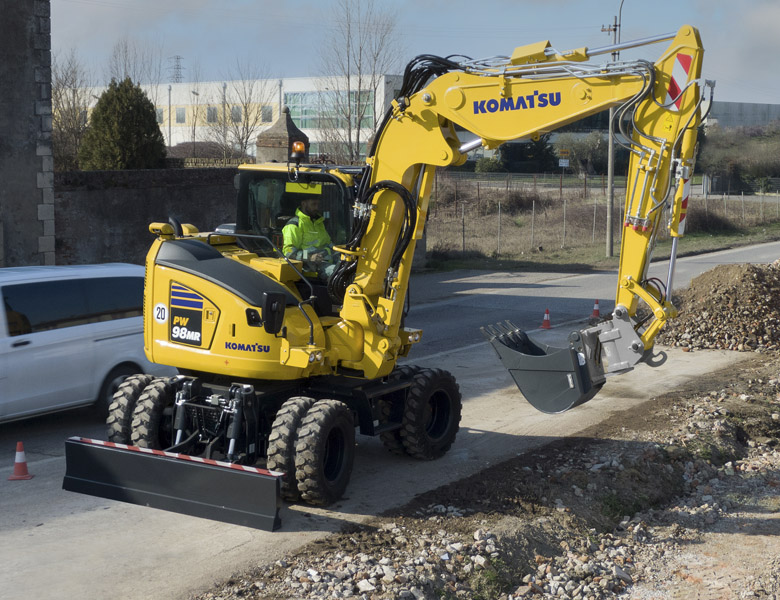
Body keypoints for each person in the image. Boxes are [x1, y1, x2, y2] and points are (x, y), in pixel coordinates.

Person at [282, 193, 337, 279]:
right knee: (339, 275)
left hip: (326, 262)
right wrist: (309, 257)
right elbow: (288, 251)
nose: (317, 208)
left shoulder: (318, 223)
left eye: (318, 204)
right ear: (304, 204)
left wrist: (342, 253)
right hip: (309, 268)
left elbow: (329, 244)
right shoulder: (294, 225)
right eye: (313, 204)